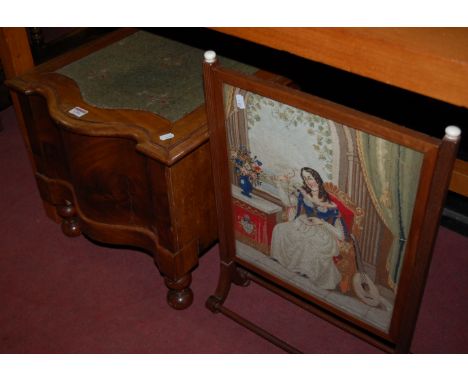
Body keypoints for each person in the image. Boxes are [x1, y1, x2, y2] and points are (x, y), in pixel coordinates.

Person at [270, 167, 347, 290]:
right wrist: (280, 185)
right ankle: (286, 265)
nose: (308, 181)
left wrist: (321, 223)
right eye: (305, 178)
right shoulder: (304, 195)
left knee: (309, 244)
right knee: (279, 229)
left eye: (310, 177)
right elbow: (288, 203)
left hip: (322, 232)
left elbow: (341, 235)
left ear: (317, 178)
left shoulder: (330, 203)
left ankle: (307, 274)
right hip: (304, 224)